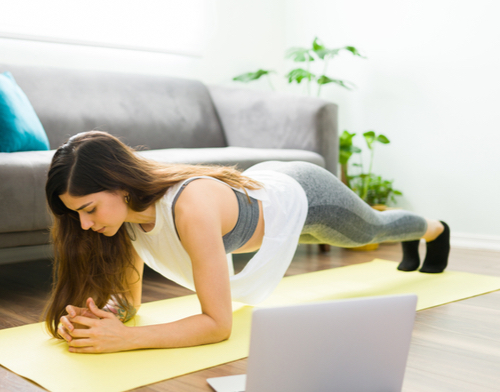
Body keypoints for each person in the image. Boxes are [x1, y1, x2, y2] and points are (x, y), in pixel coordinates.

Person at [45, 131, 450, 354]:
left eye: (89, 209)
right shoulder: (124, 221)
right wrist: (96, 320)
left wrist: (127, 339)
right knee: (372, 231)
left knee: (373, 230)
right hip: (263, 194)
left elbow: (218, 325)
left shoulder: (191, 206)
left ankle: (434, 229)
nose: (83, 224)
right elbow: (130, 301)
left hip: (305, 197)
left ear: (118, 184)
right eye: (75, 213)